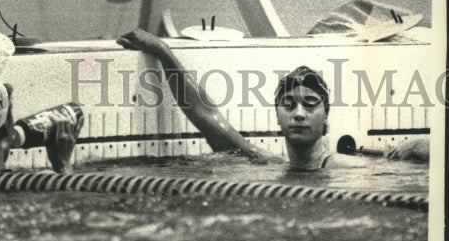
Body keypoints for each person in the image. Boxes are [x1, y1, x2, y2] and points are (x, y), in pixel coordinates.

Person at [117, 29, 430, 171]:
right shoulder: (265, 163)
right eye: (289, 105)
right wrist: (162, 51)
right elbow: (207, 117)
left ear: (326, 118)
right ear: (277, 116)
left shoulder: (344, 167)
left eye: (310, 104)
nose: (298, 113)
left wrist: (420, 146)